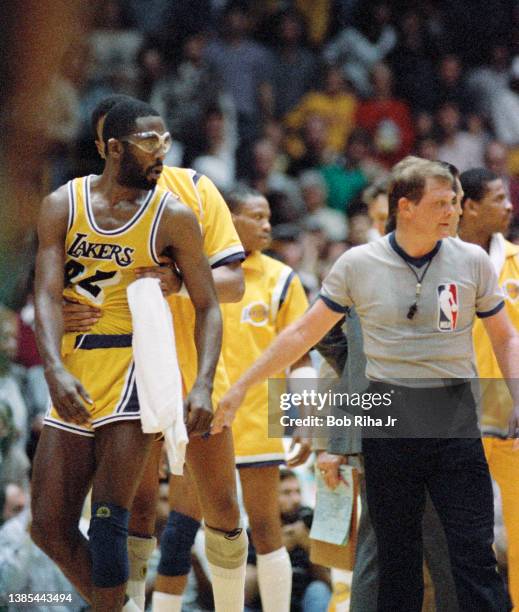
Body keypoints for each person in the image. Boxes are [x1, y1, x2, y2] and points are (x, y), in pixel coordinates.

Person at [217, 157, 519, 611]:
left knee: (471, 554)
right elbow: (309, 338)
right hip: (388, 420)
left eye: (455, 201)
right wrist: (246, 389)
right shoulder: (357, 264)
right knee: (394, 561)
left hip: (456, 418)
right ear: (406, 207)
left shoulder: (472, 260)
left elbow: (505, 337)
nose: (453, 211)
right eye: (442, 202)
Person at [31, 98, 224, 612]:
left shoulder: (173, 216)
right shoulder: (62, 204)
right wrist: (52, 367)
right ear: (113, 149)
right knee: (47, 527)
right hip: (74, 368)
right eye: (149, 142)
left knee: (108, 518)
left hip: (136, 367)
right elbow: (46, 294)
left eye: (166, 141)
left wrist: (202, 382)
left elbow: (210, 305)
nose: (162, 152)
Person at [154, 188, 313, 612]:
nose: (267, 226)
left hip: (260, 418)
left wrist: (307, 420)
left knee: (266, 528)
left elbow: (299, 359)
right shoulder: (189, 271)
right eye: (256, 217)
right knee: (182, 527)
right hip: (198, 415)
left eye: (268, 217)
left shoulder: (282, 278)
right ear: (228, 219)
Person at [458, 167, 518, 608]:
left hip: (511, 410)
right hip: (450, 411)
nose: (510, 206)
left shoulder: (518, 261)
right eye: (499, 198)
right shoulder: (439, 261)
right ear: (469, 206)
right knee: (455, 531)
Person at [245, 468, 331, 612]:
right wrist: (274, 552)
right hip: (264, 602)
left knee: (319, 590)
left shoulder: (308, 522)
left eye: (298, 491)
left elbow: (330, 584)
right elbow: (247, 593)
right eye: (286, 493)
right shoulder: (256, 531)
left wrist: (309, 547)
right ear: (270, 497)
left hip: (304, 598)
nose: (296, 499)